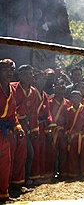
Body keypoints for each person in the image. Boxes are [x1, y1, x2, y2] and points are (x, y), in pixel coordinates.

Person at [0, 59, 23, 202]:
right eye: (5, 70)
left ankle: (3, 194)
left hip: (5, 133)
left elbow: (13, 113)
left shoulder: (12, 89)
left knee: (5, 163)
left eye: (11, 70)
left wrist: (17, 127)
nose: (9, 73)